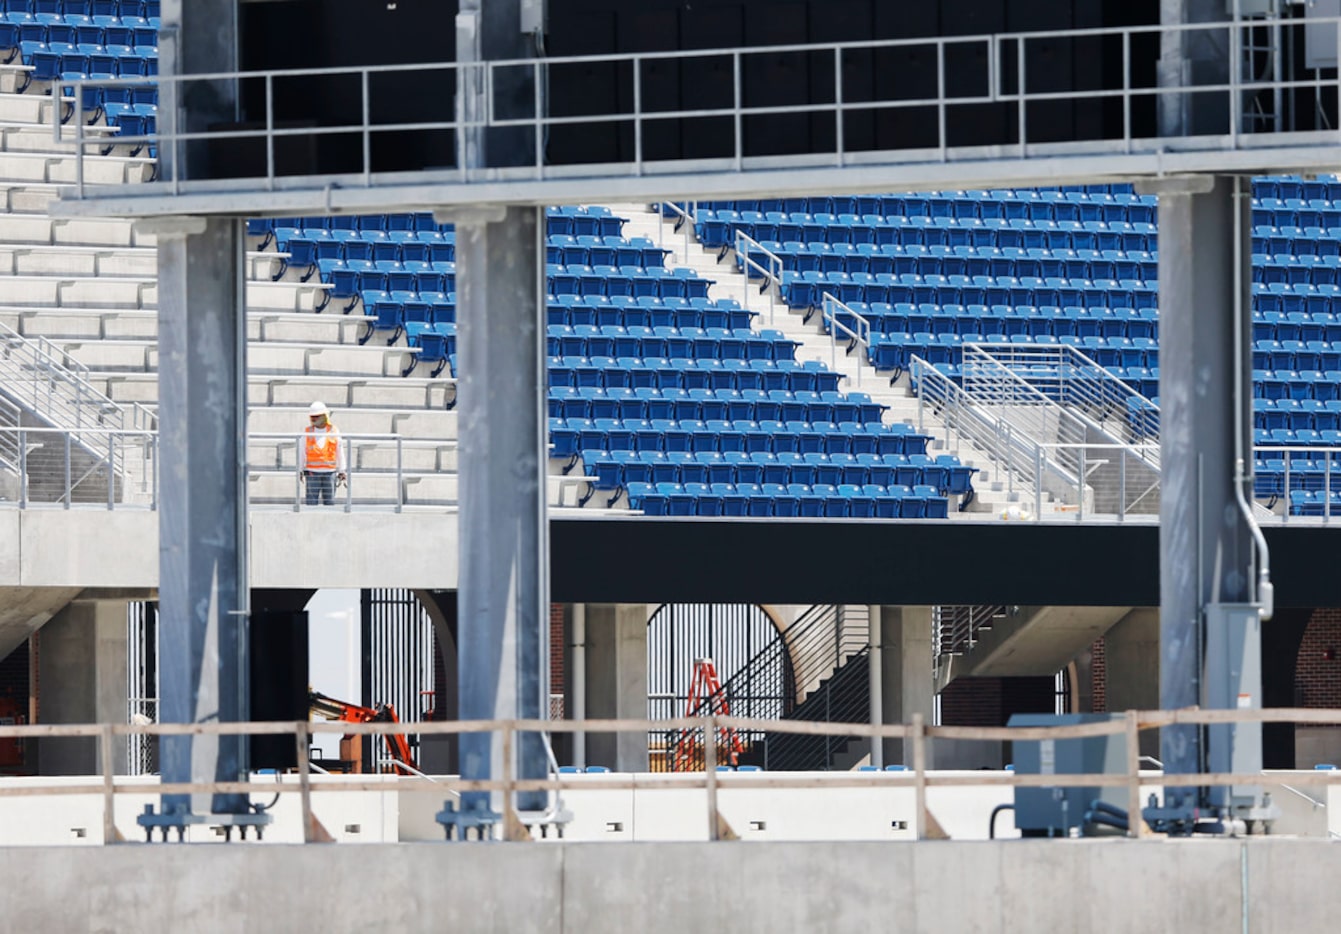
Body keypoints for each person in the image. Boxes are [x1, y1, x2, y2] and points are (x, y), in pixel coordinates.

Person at [300, 401, 345, 506]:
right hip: (312, 473)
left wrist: (342, 470)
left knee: (329, 502)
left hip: (330, 472)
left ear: (324, 416)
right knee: (311, 503)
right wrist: (300, 469)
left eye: (316, 416)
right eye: (312, 417)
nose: (314, 419)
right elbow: (302, 452)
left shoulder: (334, 431)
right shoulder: (307, 432)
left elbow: (340, 451)